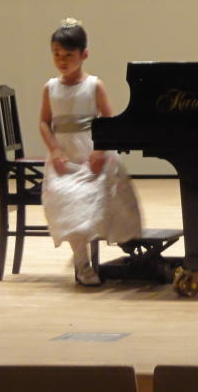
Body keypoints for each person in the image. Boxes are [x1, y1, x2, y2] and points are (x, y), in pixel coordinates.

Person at [39, 18, 142, 286]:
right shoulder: (50, 88)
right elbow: (44, 123)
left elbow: (108, 120)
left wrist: (99, 151)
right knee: (70, 198)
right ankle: (81, 261)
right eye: (57, 54)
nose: (62, 60)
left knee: (100, 191)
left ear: (84, 55)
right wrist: (54, 151)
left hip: (91, 154)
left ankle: (114, 246)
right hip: (65, 158)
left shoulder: (94, 85)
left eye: (68, 55)